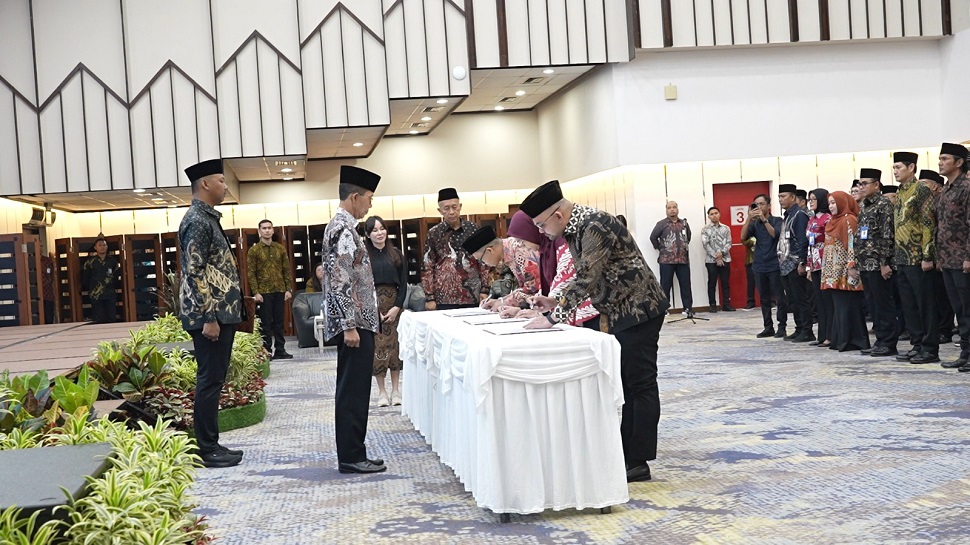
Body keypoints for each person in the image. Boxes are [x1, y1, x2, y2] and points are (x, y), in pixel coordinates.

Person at [520, 180, 669, 484]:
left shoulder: (595, 226)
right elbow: (587, 277)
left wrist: (553, 317)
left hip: (639, 309)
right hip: (618, 311)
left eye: (541, 224)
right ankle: (626, 454)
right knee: (626, 385)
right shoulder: (575, 229)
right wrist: (555, 301)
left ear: (558, 216)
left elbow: (587, 278)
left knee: (639, 384)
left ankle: (637, 461)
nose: (541, 232)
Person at [178, 158, 244, 468]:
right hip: (211, 316)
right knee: (209, 381)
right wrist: (209, 317)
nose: (225, 186)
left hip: (220, 313)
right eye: (221, 180)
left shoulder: (207, 218)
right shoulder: (197, 220)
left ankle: (212, 443)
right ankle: (206, 448)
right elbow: (195, 271)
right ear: (205, 184)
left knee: (214, 380)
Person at [323, 165, 386, 474]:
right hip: (355, 324)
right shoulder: (343, 228)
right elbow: (340, 279)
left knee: (357, 389)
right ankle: (350, 456)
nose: (371, 205)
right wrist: (349, 324)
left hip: (359, 321)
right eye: (369, 199)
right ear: (356, 197)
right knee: (352, 391)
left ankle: (355, 451)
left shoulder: (344, 226)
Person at [891, 151, 939, 363]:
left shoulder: (921, 190)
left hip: (918, 256)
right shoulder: (901, 191)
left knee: (925, 304)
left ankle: (930, 347)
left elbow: (928, 223)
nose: (895, 171)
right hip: (901, 257)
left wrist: (927, 255)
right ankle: (917, 343)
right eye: (894, 168)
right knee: (909, 304)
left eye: (899, 167)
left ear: (911, 168)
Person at [854, 168, 901, 358]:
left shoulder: (883, 205)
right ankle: (880, 340)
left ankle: (889, 342)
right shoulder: (865, 206)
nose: (861, 187)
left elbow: (887, 235)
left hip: (879, 264)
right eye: (860, 183)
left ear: (876, 185)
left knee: (884, 304)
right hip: (865, 263)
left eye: (865, 183)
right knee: (873, 305)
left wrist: (884, 263)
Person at [363, 215, 408, 407]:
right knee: (378, 349)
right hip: (373, 306)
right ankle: (382, 392)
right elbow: (363, 286)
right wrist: (374, 310)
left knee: (396, 348)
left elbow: (404, 283)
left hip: (394, 305)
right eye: (374, 230)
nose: (379, 233)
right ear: (367, 234)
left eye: (382, 229)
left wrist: (397, 307)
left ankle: (396, 390)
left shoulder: (396, 253)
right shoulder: (364, 256)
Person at [421, 188, 490, 310]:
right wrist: (430, 297)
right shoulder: (434, 233)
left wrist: (485, 289)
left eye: (454, 207)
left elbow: (484, 261)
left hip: (472, 294)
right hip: (444, 297)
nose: (451, 212)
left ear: (460, 206)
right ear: (440, 211)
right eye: (446, 208)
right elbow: (427, 266)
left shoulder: (473, 229)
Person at [935, 143, 970, 371]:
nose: (940, 162)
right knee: (959, 310)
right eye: (939, 158)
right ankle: (966, 353)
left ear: (958, 162)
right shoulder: (947, 188)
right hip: (947, 259)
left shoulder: (967, 187)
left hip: (963, 260)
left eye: (945, 158)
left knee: (968, 308)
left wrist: (968, 256)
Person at [822, 191, 870, 352]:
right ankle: (840, 340)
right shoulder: (832, 221)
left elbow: (853, 244)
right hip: (832, 272)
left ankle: (852, 341)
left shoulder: (849, 220)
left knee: (848, 305)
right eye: (829, 203)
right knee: (839, 306)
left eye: (834, 203)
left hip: (845, 271)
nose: (831, 206)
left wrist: (851, 266)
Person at [740, 194, 787, 338]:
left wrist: (764, 220)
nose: (758, 207)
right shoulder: (754, 224)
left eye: (761, 204)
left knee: (779, 297)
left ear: (768, 206)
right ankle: (768, 326)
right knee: (764, 298)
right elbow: (743, 238)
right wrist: (749, 218)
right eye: (756, 204)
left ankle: (782, 326)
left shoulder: (777, 220)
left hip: (775, 264)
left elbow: (775, 235)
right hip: (759, 264)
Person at [247, 219, 293, 360]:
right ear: (259, 231)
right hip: (264, 292)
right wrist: (256, 292)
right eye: (264, 228)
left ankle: (280, 349)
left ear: (273, 230)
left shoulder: (280, 248)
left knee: (279, 322)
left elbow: (286, 269)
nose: (267, 230)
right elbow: (251, 273)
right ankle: (267, 351)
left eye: (269, 228)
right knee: (266, 323)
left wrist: (288, 289)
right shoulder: (254, 250)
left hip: (279, 290)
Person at [919, 169, 956, 345]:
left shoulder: (941, 200)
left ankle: (945, 329)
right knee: (932, 295)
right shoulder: (923, 203)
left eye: (924, 184)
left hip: (947, 255)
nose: (921, 188)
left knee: (945, 296)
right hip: (929, 256)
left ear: (935, 187)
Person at [777, 184, 812, 342]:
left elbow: (802, 240)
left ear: (792, 197)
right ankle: (799, 328)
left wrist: (802, 262)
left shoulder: (799, 215)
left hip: (795, 263)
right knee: (792, 300)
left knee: (801, 299)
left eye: (783, 196)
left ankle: (807, 330)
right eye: (779, 197)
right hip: (785, 264)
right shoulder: (788, 215)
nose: (780, 199)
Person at [650, 201, 693, 316]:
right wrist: (661, 249)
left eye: (674, 207)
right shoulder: (661, 224)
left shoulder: (684, 223)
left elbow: (688, 236)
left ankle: (688, 308)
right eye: (669, 208)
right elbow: (653, 237)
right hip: (666, 260)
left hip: (682, 260)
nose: (672, 209)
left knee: (685, 285)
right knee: (665, 285)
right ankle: (664, 309)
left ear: (678, 209)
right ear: (666, 210)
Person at [806, 189, 832, 347]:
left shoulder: (828, 218)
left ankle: (830, 335)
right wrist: (809, 266)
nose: (811, 202)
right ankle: (821, 335)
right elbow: (809, 244)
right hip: (814, 262)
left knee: (827, 300)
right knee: (819, 301)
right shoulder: (812, 219)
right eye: (810, 199)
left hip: (825, 261)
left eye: (814, 199)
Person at [700, 206, 735, 312]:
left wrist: (722, 253)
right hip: (711, 260)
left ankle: (726, 305)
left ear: (719, 214)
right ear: (709, 216)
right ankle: (712, 305)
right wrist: (716, 255)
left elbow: (729, 243)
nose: (714, 215)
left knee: (725, 282)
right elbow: (705, 244)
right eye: (712, 214)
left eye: (716, 213)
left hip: (725, 259)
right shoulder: (705, 229)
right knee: (712, 283)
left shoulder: (726, 228)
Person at [82, 235, 120, 323]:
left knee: (112, 318)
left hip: (110, 293)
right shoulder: (90, 262)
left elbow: (116, 276)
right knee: (98, 319)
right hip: (96, 294)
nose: (102, 247)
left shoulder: (113, 261)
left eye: (104, 245)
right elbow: (86, 277)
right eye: (100, 245)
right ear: (95, 247)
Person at [743, 234, 757, 309]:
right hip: (751, 261)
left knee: (767, 282)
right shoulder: (748, 230)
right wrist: (752, 241)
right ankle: (751, 302)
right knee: (751, 282)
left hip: (763, 260)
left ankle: (772, 301)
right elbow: (743, 240)